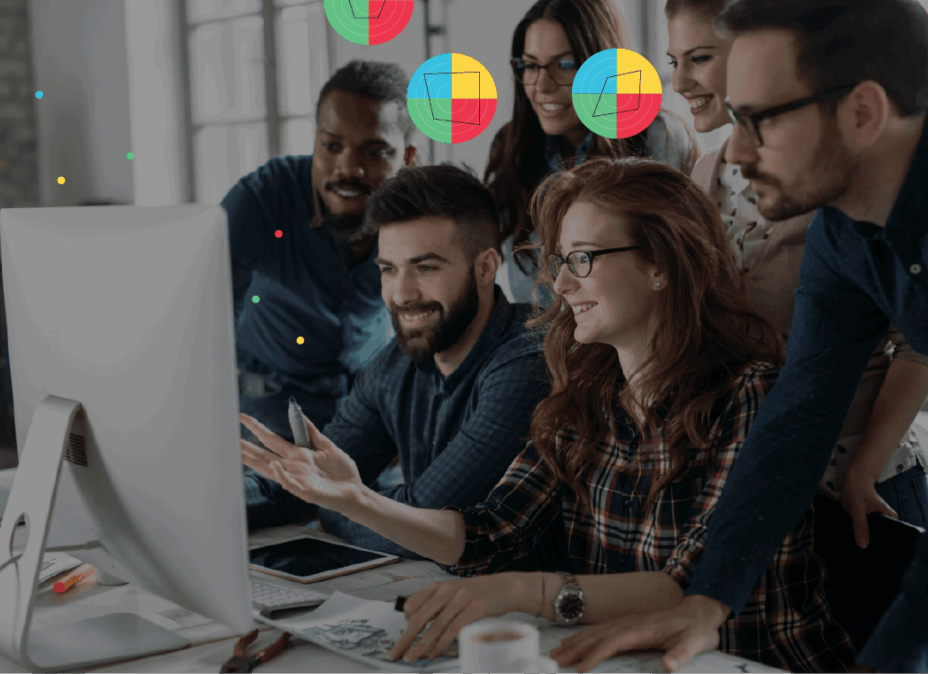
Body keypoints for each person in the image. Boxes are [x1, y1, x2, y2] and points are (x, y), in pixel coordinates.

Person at [240, 157, 858, 673]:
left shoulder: (749, 394)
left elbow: (688, 586)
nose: (560, 285)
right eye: (559, 261)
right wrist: (355, 498)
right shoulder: (582, 396)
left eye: (582, 259)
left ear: (662, 264)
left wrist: (524, 591)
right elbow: (489, 533)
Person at [552, 2, 928, 673]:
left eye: (758, 120)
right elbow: (798, 418)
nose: (736, 153)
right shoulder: (841, 234)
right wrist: (706, 601)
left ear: (862, 112)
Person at [664, 0, 928, 544]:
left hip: (859, 478)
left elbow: (919, 340)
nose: (679, 80)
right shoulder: (700, 172)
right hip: (751, 473)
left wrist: (865, 467)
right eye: (672, 60)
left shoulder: (834, 170)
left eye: (700, 57)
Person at [240, 164, 550, 557]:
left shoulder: (527, 362)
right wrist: (192, 504)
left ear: (486, 267)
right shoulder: (397, 364)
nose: (402, 294)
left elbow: (421, 520)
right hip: (434, 593)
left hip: (530, 609)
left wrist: (334, 505)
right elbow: (304, 481)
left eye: (425, 267)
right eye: (389, 269)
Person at [223, 60, 417, 445]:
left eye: (374, 152)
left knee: (401, 500)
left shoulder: (423, 211)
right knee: (267, 500)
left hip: (375, 403)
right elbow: (205, 311)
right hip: (271, 400)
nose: (348, 169)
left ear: (407, 158)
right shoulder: (263, 197)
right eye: (331, 146)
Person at [484, 0, 699, 307]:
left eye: (566, 64)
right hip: (540, 346)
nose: (542, 86)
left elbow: (677, 276)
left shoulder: (655, 137)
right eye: (530, 65)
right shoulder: (512, 148)